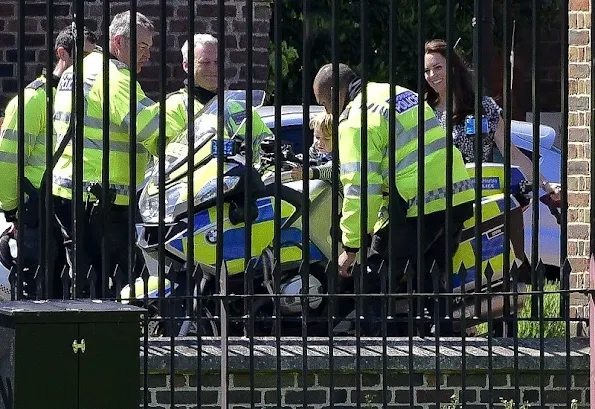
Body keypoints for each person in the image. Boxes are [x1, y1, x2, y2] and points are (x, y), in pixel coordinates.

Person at [313, 63, 476, 336]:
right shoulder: (395, 93)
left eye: (323, 103)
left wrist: (351, 247)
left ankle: (379, 352)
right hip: (456, 195)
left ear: (333, 93)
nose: (326, 111)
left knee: (372, 277)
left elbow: (361, 190)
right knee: (431, 277)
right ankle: (446, 348)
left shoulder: (354, 121)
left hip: (417, 203)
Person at [51, 11, 161, 298]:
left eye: (150, 47)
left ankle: (82, 340)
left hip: (70, 192)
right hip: (103, 199)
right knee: (115, 285)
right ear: (117, 42)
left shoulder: (82, 69)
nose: (147, 55)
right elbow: (152, 129)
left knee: (83, 281)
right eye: (142, 46)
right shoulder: (114, 76)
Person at [0, 25, 97, 299]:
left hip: (71, 207)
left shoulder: (87, 100)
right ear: (62, 54)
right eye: (84, 58)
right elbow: (8, 160)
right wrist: (12, 210)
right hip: (37, 210)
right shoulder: (34, 99)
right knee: (38, 290)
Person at [424, 39, 560, 196]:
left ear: (453, 68)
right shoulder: (423, 110)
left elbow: (513, 155)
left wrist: (545, 184)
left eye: (438, 67)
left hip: (479, 199)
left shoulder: (483, 107)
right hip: (438, 200)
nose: (432, 75)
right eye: (427, 70)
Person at [165, 33, 219, 141]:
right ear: (186, 66)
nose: (213, 68)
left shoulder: (235, 104)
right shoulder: (174, 104)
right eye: (205, 62)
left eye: (217, 62)